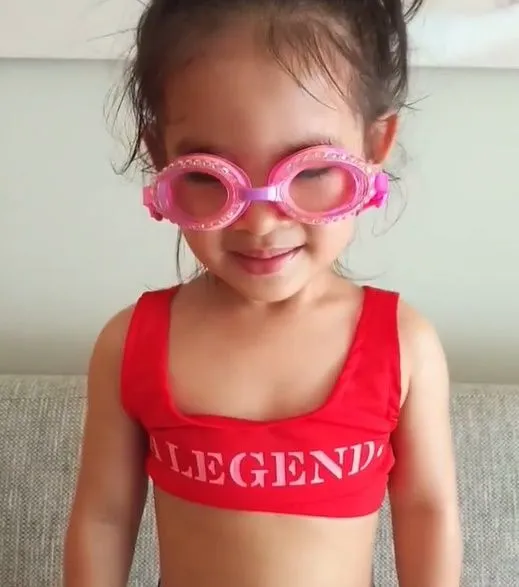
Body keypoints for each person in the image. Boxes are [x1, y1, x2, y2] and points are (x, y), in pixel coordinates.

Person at [64, 1, 462, 586]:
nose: (260, 223)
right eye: (208, 175)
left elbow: (427, 510)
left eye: (310, 171)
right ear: (160, 157)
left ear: (375, 144)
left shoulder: (404, 346)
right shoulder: (130, 344)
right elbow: (103, 518)